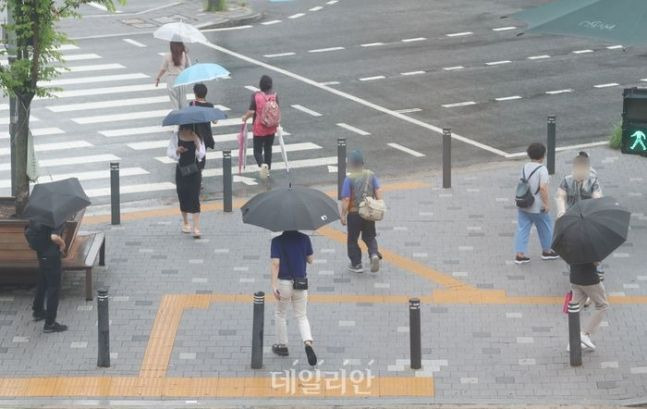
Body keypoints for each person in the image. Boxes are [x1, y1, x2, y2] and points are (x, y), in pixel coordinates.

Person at [270, 230, 317, 366]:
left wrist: (273, 285)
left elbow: (275, 264)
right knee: (301, 316)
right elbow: (311, 260)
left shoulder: (277, 241)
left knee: (280, 314)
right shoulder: (304, 238)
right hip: (300, 282)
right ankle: (307, 342)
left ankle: (282, 345)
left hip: (284, 283)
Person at [514, 143, 559, 264]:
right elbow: (543, 188)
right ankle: (547, 251)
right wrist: (546, 204)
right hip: (537, 206)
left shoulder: (525, 166)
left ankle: (520, 254)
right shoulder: (542, 170)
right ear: (543, 156)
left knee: (522, 228)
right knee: (545, 227)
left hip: (523, 203)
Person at [340, 150, 382, 273]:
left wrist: (343, 215)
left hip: (354, 213)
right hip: (368, 212)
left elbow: (346, 199)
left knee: (352, 239)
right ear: (362, 163)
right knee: (369, 236)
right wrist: (379, 204)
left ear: (352, 164)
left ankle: (356, 264)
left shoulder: (349, 179)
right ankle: (373, 254)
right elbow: (378, 191)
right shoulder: (371, 175)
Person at [26, 221, 68, 333]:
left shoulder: (38, 216)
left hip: (41, 253)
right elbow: (54, 237)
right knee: (53, 288)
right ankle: (50, 323)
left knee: (43, 281)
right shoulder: (56, 218)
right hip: (51, 256)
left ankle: (38, 311)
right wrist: (62, 244)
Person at [167, 124, 205, 238]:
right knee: (182, 194)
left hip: (194, 171)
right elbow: (169, 152)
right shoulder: (176, 136)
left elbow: (201, 155)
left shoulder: (197, 136)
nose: (186, 130)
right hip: (181, 171)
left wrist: (196, 142)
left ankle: (196, 227)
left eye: (188, 128)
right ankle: (186, 222)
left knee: (194, 196)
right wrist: (177, 151)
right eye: (184, 128)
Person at [241, 75, 279, 180]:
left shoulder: (256, 96)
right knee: (268, 148)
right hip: (271, 127)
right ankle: (268, 170)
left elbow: (252, 111)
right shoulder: (274, 96)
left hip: (259, 128)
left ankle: (262, 165)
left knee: (257, 151)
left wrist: (245, 118)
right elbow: (277, 110)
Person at [568, 262, 609, 351]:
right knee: (602, 305)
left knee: (575, 309)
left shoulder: (571, 247)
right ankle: (585, 334)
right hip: (590, 279)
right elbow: (596, 262)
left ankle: (572, 341)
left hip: (574, 278)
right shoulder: (589, 249)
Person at [556, 151, 602, 218]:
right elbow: (560, 196)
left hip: (587, 214)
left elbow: (597, 197)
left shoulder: (592, 181)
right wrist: (561, 212)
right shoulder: (566, 180)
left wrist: (596, 208)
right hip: (572, 214)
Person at [155, 41, 191, 109]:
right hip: (182, 79)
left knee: (174, 103)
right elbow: (189, 68)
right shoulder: (184, 55)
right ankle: (183, 117)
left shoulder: (167, 55)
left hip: (171, 80)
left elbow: (163, 69)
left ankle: (176, 118)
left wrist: (158, 77)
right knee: (183, 102)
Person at [189, 83, 217, 171]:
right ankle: (199, 174)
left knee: (195, 155)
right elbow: (215, 121)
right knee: (202, 155)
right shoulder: (210, 106)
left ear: (195, 93)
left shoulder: (192, 104)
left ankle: (196, 175)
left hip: (196, 134)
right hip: (206, 135)